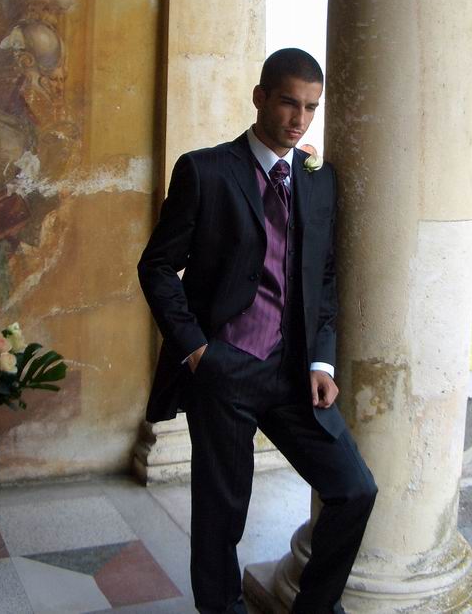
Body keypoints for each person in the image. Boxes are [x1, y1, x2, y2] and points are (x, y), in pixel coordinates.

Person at [137, 48, 377, 613]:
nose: (300, 119)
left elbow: (323, 276)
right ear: (260, 97)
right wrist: (197, 350)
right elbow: (157, 266)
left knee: (354, 489)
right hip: (225, 369)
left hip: (294, 373)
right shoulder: (205, 171)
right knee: (221, 519)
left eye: (311, 108)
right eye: (290, 103)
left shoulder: (318, 180)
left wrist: (322, 361)